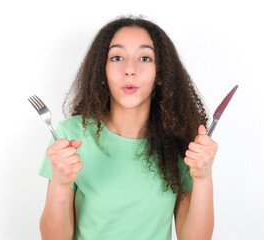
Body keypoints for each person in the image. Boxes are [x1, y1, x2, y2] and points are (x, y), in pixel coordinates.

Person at [39, 16, 218, 240]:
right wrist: (60, 183)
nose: (130, 70)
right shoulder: (69, 136)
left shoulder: (182, 144)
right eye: (117, 57)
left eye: (144, 58)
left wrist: (203, 178)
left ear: (160, 73)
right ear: (101, 70)